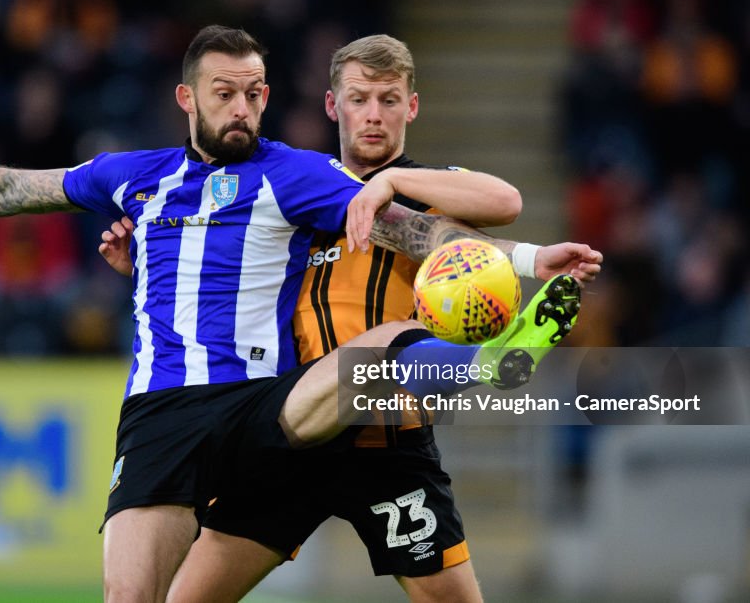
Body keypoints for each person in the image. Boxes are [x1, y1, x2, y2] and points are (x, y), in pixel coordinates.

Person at [0, 25, 585, 603]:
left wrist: (526, 258)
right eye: (226, 91)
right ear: (188, 98)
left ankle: (489, 364)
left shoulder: (302, 174)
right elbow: (10, 186)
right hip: (167, 412)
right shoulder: (136, 177)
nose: (243, 106)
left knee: (377, 346)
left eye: (255, 91)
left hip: (275, 406)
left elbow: (420, 230)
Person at [98, 35, 603, 603]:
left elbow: (504, 199)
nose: (373, 115)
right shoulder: (293, 189)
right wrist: (138, 268)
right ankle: (483, 364)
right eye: (359, 99)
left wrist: (393, 181)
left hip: (388, 443)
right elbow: (221, 282)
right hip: (290, 429)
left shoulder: (432, 193)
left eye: (389, 100)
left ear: (412, 107)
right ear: (331, 105)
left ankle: (482, 363)